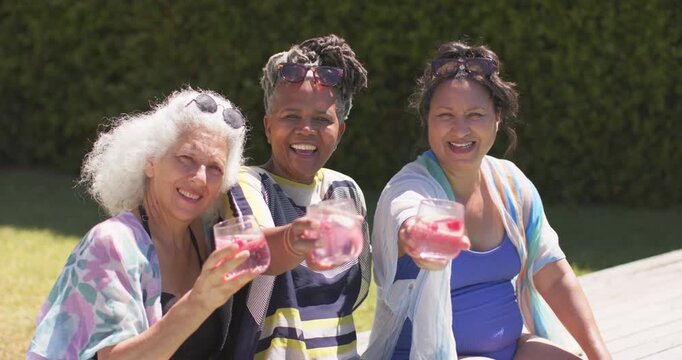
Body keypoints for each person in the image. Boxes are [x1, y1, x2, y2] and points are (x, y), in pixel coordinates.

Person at [365, 41, 611, 359]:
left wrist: (600, 355)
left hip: (511, 350)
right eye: (445, 115)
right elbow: (405, 216)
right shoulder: (411, 186)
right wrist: (417, 236)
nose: (461, 129)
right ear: (426, 119)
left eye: (475, 114)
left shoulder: (511, 184)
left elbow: (554, 275)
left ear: (497, 117)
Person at [27, 88, 259, 359]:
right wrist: (199, 300)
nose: (199, 177)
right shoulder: (112, 244)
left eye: (214, 168)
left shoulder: (203, 238)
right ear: (150, 162)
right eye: (186, 158)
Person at [221, 34, 371, 359]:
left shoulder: (344, 191)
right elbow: (259, 255)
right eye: (291, 117)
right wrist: (300, 236)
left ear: (340, 131)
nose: (306, 129)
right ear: (267, 126)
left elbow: (359, 288)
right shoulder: (246, 184)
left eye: (322, 119)